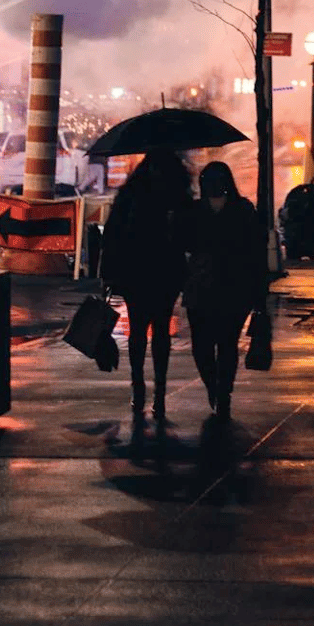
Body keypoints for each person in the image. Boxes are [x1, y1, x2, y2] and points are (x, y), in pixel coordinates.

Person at [99, 150, 193, 425]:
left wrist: (108, 272)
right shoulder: (176, 197)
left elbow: (113, 235)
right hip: (157, 270)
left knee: (144, 329)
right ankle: (152, 388)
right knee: (153, 329)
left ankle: (143, 386)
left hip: (140, 270)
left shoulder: (131, 196)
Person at [183, 161, 268, 423]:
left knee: (204, 344)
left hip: (206, 285)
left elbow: (185, 243)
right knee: (226, 343)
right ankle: (222, 390)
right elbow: (256, 250)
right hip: (233, 286)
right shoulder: (243, 210)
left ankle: (215, 387)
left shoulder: (196, 211)